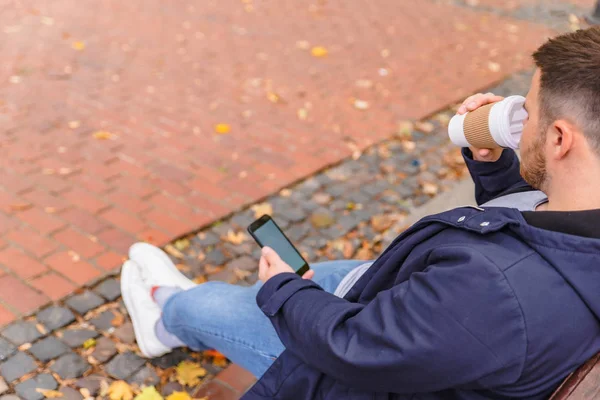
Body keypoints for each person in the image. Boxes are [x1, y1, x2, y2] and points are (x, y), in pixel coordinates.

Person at [121, 27, 600, 399]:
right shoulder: (578, 211)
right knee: (328, 277)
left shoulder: (496, 293)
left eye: (531, 112)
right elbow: (532, 214)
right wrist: (494, 165)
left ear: (560, 139)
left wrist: (282, 291)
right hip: (410, 307)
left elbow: (353, 347)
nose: (520, 121)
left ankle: (164, 313)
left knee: (212, 306)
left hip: (360, 366)